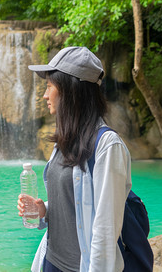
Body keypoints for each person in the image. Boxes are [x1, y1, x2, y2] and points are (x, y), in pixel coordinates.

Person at [17, 47, 132, 272]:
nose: (44, 95)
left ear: (70, 89)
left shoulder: (107, 146)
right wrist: (45, 210)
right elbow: (77, 204)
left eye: (50, 86)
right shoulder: (64, 141)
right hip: (51, 262)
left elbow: (106, 231)